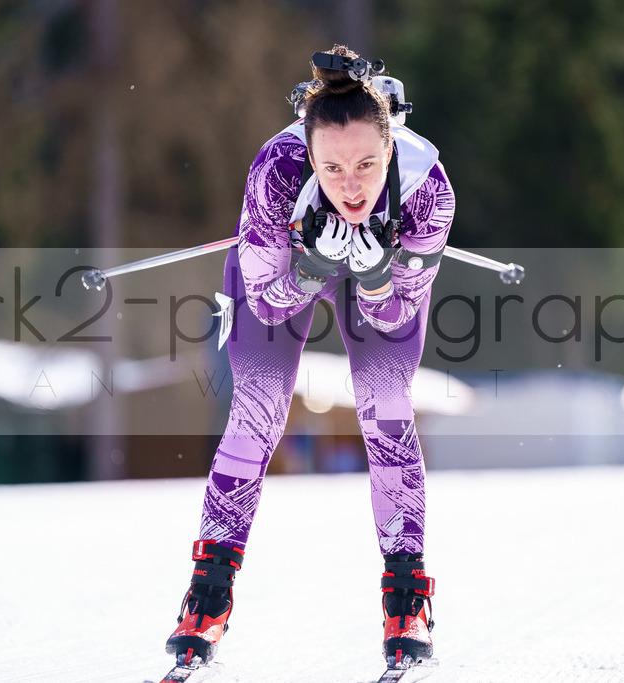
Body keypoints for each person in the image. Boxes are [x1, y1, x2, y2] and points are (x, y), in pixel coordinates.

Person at [165, 45, 453, 668]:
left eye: (367, 165)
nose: (350, 186)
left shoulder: (427, 191)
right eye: (332, 167)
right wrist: (311, 267)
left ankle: (407, 599)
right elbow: (267, 305)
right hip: (286, 270)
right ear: (310, 156)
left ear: (390, 151)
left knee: (386, 408)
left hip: (376, 277)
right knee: (257, 411)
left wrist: (375, 277)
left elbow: (396, 314)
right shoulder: (277, 172)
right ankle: (208, 596)